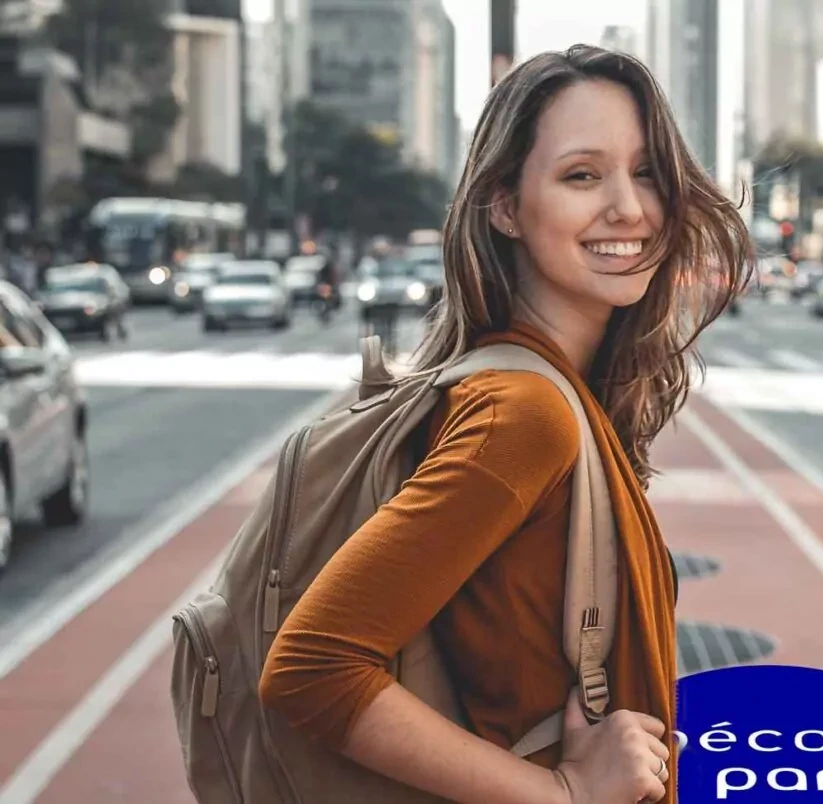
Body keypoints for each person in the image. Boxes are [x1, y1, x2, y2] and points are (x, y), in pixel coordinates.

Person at [259, 45, 753, 804]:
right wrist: (569, 792)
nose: (629, 206)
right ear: (505, 206)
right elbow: (312, 668)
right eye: (582, 175)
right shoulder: (523, 415)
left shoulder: (554, 391)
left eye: (647, 170)